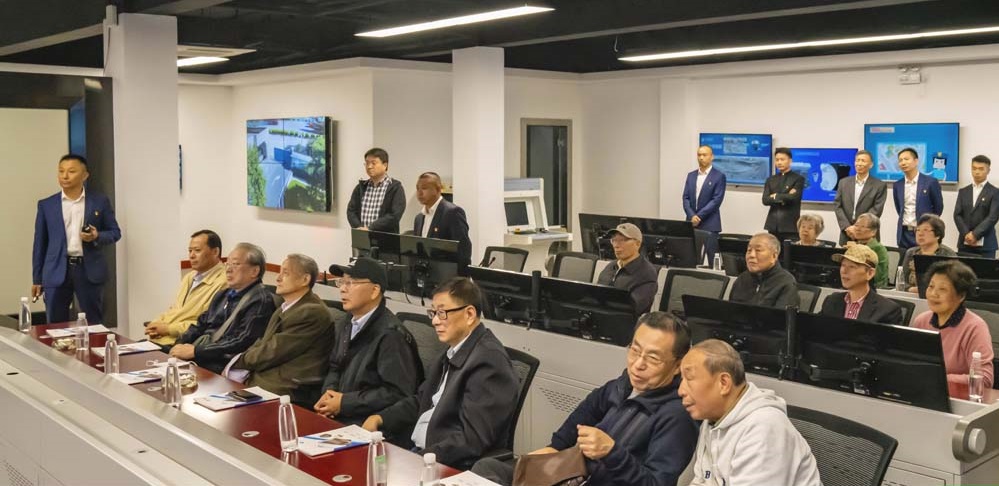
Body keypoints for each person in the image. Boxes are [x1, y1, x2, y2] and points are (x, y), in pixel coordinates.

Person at [471, 312, 698, 486]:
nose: (638, 364)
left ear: (677, 365)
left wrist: (612, 453)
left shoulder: (677, 415)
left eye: (653, 358)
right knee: (487, 468)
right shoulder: (622, 385)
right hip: (570, 474)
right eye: (635, 351)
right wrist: (553, 449)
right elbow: (581, 418)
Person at [362, 277, 519, 470]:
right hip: (422, 454)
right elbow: (422, 400)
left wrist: (418, 460)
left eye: (442, 313)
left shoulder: (489, 361)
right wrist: (381, 418)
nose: (435, 321)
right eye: (433, 313)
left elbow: (472, 440)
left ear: (469, 314)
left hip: (446, 464)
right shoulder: (453, 351)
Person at [680, 339, 821, 486]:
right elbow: (702, 480)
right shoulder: (712, 419)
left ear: (724, 383)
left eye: (689, 379)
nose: (681, 390)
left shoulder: (764, 427)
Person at [313, 257, 422, 426]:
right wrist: (329, 394)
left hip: (368, 424)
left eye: (350, 283)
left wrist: (344, 403)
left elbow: (397, 393)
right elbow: (335, 366)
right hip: (341, 415)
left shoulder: (391, 335)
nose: (342, 289)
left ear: (374, 291)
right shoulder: (348, 322)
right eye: (341, 282)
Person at [224, 254, 337, 397]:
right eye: (279, 272)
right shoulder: (285, 307)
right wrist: (238, 361)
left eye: (286, 273)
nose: (278, 278)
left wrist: (237, 362)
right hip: (264, 379)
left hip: (287, 389)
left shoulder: (311, 312)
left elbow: (272, 351)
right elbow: (263, 342)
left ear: (305, 279)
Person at [32, 154, 121, 324]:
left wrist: (96, 236)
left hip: (88, 270)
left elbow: (114, 232)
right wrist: (37, 279)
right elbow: (39, 244)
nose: (65, 176)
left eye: (71, 171)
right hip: (56, 270)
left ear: (85, 175)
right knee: (56, 325)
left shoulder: (99, 202)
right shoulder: (47, 205)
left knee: (93, 323)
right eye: (61, 171)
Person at [170, 243, 277, 373]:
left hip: (222, 362)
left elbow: (242, 341)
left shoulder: (260, 300)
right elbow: (201, 324)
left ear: (254, 271)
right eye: (227, 264)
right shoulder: (223, 294)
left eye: (235, 264)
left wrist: (196, 351)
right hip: (202, 353)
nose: (228, 269)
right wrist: (179, 344)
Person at [911, 260, 994, 390]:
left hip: (958, 397)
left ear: (961, 296)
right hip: (924, 392)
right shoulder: (921, 321)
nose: (933, 294)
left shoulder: (975, 327)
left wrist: (939, 379)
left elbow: (985, 379)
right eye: (931, 286)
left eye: (942, 289)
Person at [143, 230, 227, 350]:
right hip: (163, 339)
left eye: (197, 250)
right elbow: (175, 310)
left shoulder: (224, 282)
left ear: (215, 252)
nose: (191, 255)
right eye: (190, 251)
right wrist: (156, 324)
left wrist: (167, 329)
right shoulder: (190, 276)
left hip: (182, 344)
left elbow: (205, 324)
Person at [820, 244, 903, 324]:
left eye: (852, 267)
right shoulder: (831, 301)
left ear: (870, 273)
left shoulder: (887, 310)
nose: (844, 271)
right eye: (843, 265)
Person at [414, 172, 472, 274]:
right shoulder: (419, 218)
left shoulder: (453, 212)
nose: (419, 193)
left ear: (438, 189)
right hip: (427, 275)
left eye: (424, 188)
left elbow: (463, 250)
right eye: (418, 188)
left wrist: (460, 278)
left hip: (448, 275)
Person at [595, 223, 659, 314]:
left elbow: (633, 308)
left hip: (625, 321)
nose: (616, 245)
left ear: (637, 244)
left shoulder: (646, 273)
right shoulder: (611, 266)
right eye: (614, 240)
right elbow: (596, 295)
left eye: (623, 240)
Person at [728, 233, 799, 309]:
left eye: (758, 250)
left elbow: (780, 316)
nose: (751, 255)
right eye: (749, 250)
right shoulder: (742, 279)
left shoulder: (786, 283)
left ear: (774, 256)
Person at [682, 145, 727, 264]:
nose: (701, 158)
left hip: (710, 223)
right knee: (690, 258)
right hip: (691, 223)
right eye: (699, 155)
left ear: (712, 157)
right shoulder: (691, 175)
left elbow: (716, 200)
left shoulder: (719, 176)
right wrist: (692, 216)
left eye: (704, 155)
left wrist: (699, 216)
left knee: (713, 259)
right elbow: (685, 198)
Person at [893, 148, 943, 251]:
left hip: (923, 232)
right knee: (905, 260)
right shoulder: (898, 185)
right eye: (900, 160)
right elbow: (899, 208)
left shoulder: (930, 182)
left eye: (906, 159)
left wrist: (927, 226)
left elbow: (938, 208)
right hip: (904, 232)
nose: (903, 163)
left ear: (916, 161)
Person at [833, 150, 887, 245]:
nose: (859, 163)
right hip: (847, 233)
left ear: (871, 165)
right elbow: (837, 205)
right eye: (857, 160)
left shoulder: (879, 185)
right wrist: (847, 227)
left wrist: (858, 227)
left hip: (867, 235)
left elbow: (877, 210)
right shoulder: (843, 182)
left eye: (863, 161)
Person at [346, 147, 406, 233]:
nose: (369, 167)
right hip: (362, 237)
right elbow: (351, 211)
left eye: (373, 163)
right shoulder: (360, 187)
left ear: (385, 165)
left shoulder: (395, 187)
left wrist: (371, 228)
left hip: (385, 238)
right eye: (367, 163)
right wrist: (359, 228)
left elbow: (395, 215)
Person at [953, 155, 999, 258]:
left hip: (986, 245)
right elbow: (957, 215)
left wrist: (975, 234)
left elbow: (993, 217)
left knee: (986, 269)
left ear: (988, 170)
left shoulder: (995, 192)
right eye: (974, 168)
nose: (977, 172)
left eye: (981, 169)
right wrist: (966, 234)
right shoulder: (963, 191)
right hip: (965, 243)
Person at [900, 214, 956, 293]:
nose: (920, 234)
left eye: (925, 230)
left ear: (938, 235)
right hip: (911, 295)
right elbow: (902, 281)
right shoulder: (911, 253)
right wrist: (911, 289)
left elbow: (953, 285)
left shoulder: (948, 255)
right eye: (918, 230)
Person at [762, 147, 805, 242]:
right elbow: (765, 200)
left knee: (789, 250)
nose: (779, 162)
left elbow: (793, 198)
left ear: (790, 161)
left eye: (782, 159)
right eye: (777, 160)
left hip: (790, 225)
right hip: (773, 225)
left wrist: (775, 196)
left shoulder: (798, 179)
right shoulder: (771, 180)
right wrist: (785, 196)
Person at [848, 213, 890, 289]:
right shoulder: (853, 246)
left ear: (873, 232)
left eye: (862, 226)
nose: (857, 229)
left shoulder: (879, 249)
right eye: (856, 225)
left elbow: (879, 277)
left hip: (873, 288)